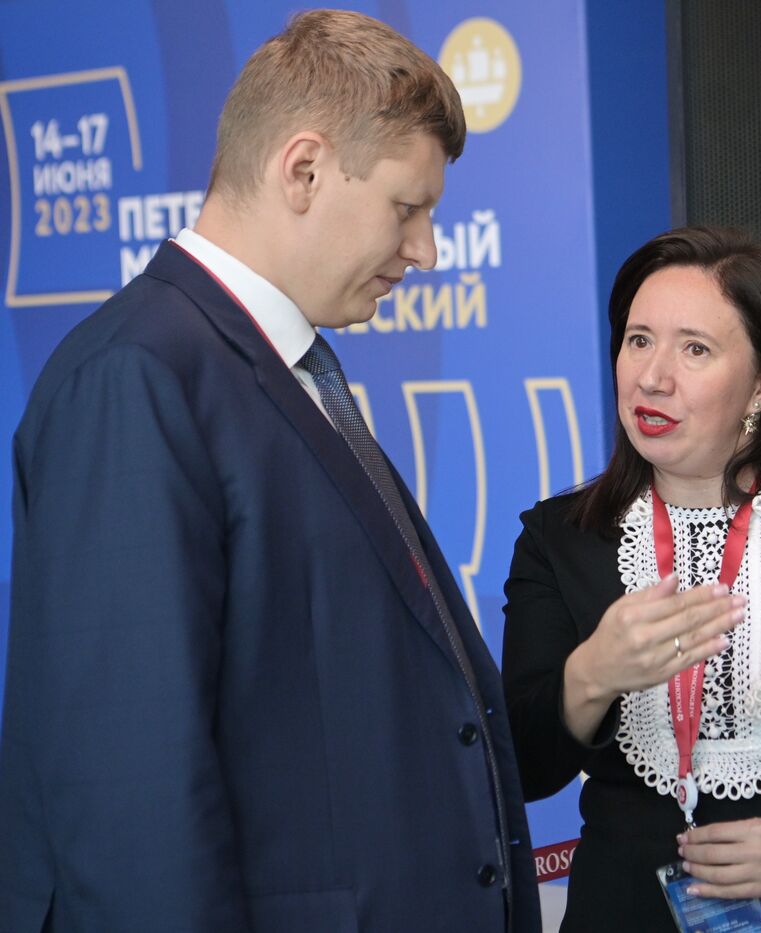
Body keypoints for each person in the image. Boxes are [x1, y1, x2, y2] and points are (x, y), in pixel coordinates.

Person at [0, 11, 539, 932]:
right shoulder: (135, 378)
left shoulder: (282, 367)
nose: (425, 251)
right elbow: (130, 793)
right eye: (407, 209)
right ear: (303, 170)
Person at [502, 227, 761, 931]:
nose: (652, 377)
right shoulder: (561, 540)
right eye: (638, 340)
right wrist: (593, 673)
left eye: (695, 349)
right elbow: (523, 772)